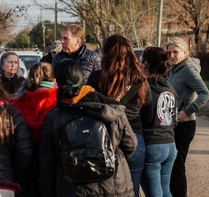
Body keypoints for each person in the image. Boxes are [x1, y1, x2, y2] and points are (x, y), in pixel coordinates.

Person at [38, 59, 137, 197]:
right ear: (82, 77)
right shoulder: (111, 108)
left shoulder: (54, 118)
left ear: (57, 82)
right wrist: (109, 158)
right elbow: (130, 145)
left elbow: (46, 161)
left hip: (73, 187)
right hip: (115, 185)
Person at [87, 34, 152, 197]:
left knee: (104, 190)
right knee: (133, 189)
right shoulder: (140, 79)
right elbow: (148, 113)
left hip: (104, 139)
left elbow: (89, 108)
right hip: (134, 139)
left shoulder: (97, 77)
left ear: (106, 53)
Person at [165, 37, 209, 197]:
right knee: (172, 167)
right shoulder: (175, 69)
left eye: (175, 52)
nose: (171, 55)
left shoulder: (187, 69)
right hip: (174, 124)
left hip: (184, 125)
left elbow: (205, 93)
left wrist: (188, 111)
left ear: (185, 52)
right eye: (169, 52)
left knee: (177, 167)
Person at [12, 62, 57, 197]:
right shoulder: (57, 98)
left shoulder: (17, 101)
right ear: (52, 78)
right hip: (51, 156)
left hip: (24, 156)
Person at [139, 46, 178, 197]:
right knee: (166, 191)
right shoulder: (171, 88)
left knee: (154, 193)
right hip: (170, 144)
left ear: (146, 64)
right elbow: (174, 119)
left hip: (152, 144)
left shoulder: (145, 88)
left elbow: (145, 118)